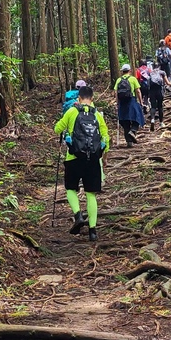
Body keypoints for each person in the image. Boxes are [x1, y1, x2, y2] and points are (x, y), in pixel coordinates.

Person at [54, 83, 109, 242]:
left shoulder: (72, 111)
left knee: (71, 189)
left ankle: (78, 215)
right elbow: (105, 136)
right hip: (92, 159)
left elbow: (57, 129)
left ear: (79, 98)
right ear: (92, 99)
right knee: (91, 194)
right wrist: (104, 158)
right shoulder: (97, 114)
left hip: (73, 157)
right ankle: (93, 231)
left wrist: (66, 131)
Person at [114, 63, 145, 146]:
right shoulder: (133, 79)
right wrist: (141, 101)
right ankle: (133, 130)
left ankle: (129, 142)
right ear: (130, 71)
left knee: (125, 121)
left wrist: (117, 102)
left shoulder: (118, 80)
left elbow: (116, 92)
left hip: (122, 103)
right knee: (138, 116)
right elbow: (138, 91)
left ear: (122, 71)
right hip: (132, 101)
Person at [147, 64, 171, 131]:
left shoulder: (150, 73)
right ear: (159, 67)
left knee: (153, 106)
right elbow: (167, 83)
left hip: (152, 92)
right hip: (159, 91)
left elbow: (148, 84)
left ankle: (152, 119)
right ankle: (161, 122)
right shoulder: (162, 72)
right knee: (160, 106)